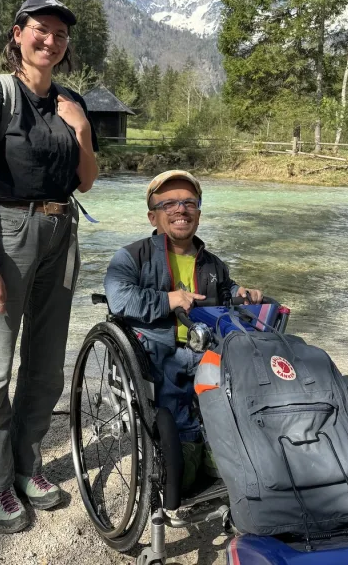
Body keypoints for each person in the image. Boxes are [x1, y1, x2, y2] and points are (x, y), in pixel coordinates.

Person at [0, 0, 99, 533]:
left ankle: (26, 464)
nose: (51, 41)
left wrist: (81, 129)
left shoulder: (71, 100)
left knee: (45, 364)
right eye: (41, 30)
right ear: (18, 33)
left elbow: (86, 180)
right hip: (7, 232)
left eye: (60, 35)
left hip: (63, 230)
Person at [104, 170, 262, 491]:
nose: (181, 209)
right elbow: (119, 298)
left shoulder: (214, 265)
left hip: (207, 352)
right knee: (185, 464)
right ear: (153, 216)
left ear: (199, 215)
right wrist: (168, 300)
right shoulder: (132, 257)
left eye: (189, 202)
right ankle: (188, 450)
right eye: (170, 204)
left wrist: (242, 295)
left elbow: (226, 292)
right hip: (157, 354)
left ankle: (218, 448)